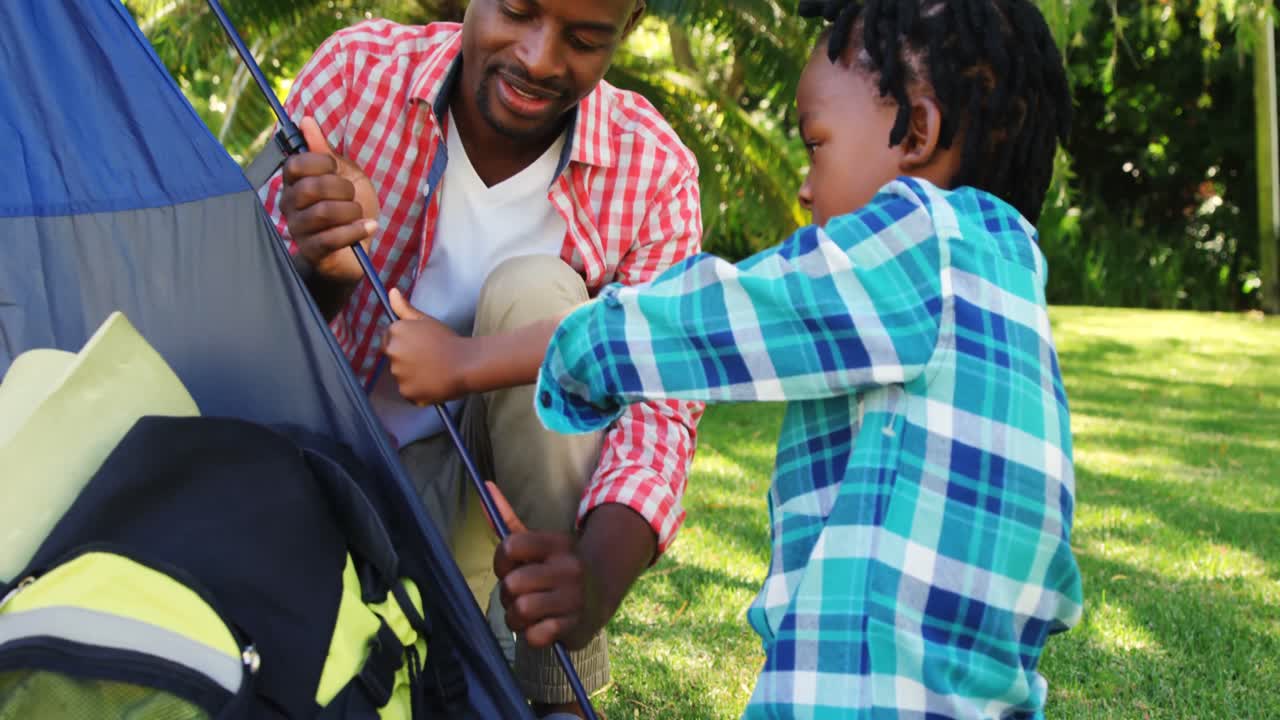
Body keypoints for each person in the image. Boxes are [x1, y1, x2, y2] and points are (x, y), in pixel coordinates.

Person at [382, 0, 1085, 716]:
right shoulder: (1013, 287)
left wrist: (470, 361)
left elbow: (702, 321)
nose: (807, 187)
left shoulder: (919, 242)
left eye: (816, 144)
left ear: (919, 131)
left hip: (861, 692)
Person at [260, 1, 705, 716]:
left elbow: (660, 406)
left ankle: (555, 684)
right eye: (518, 11)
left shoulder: (652, 171)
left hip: (481, 515)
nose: (536, 57)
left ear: (629, 25)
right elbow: (238, 324)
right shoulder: (355, 78)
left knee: (541, 300)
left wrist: (593, 580)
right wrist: (325, 269)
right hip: (319, 477)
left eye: (585, 39)